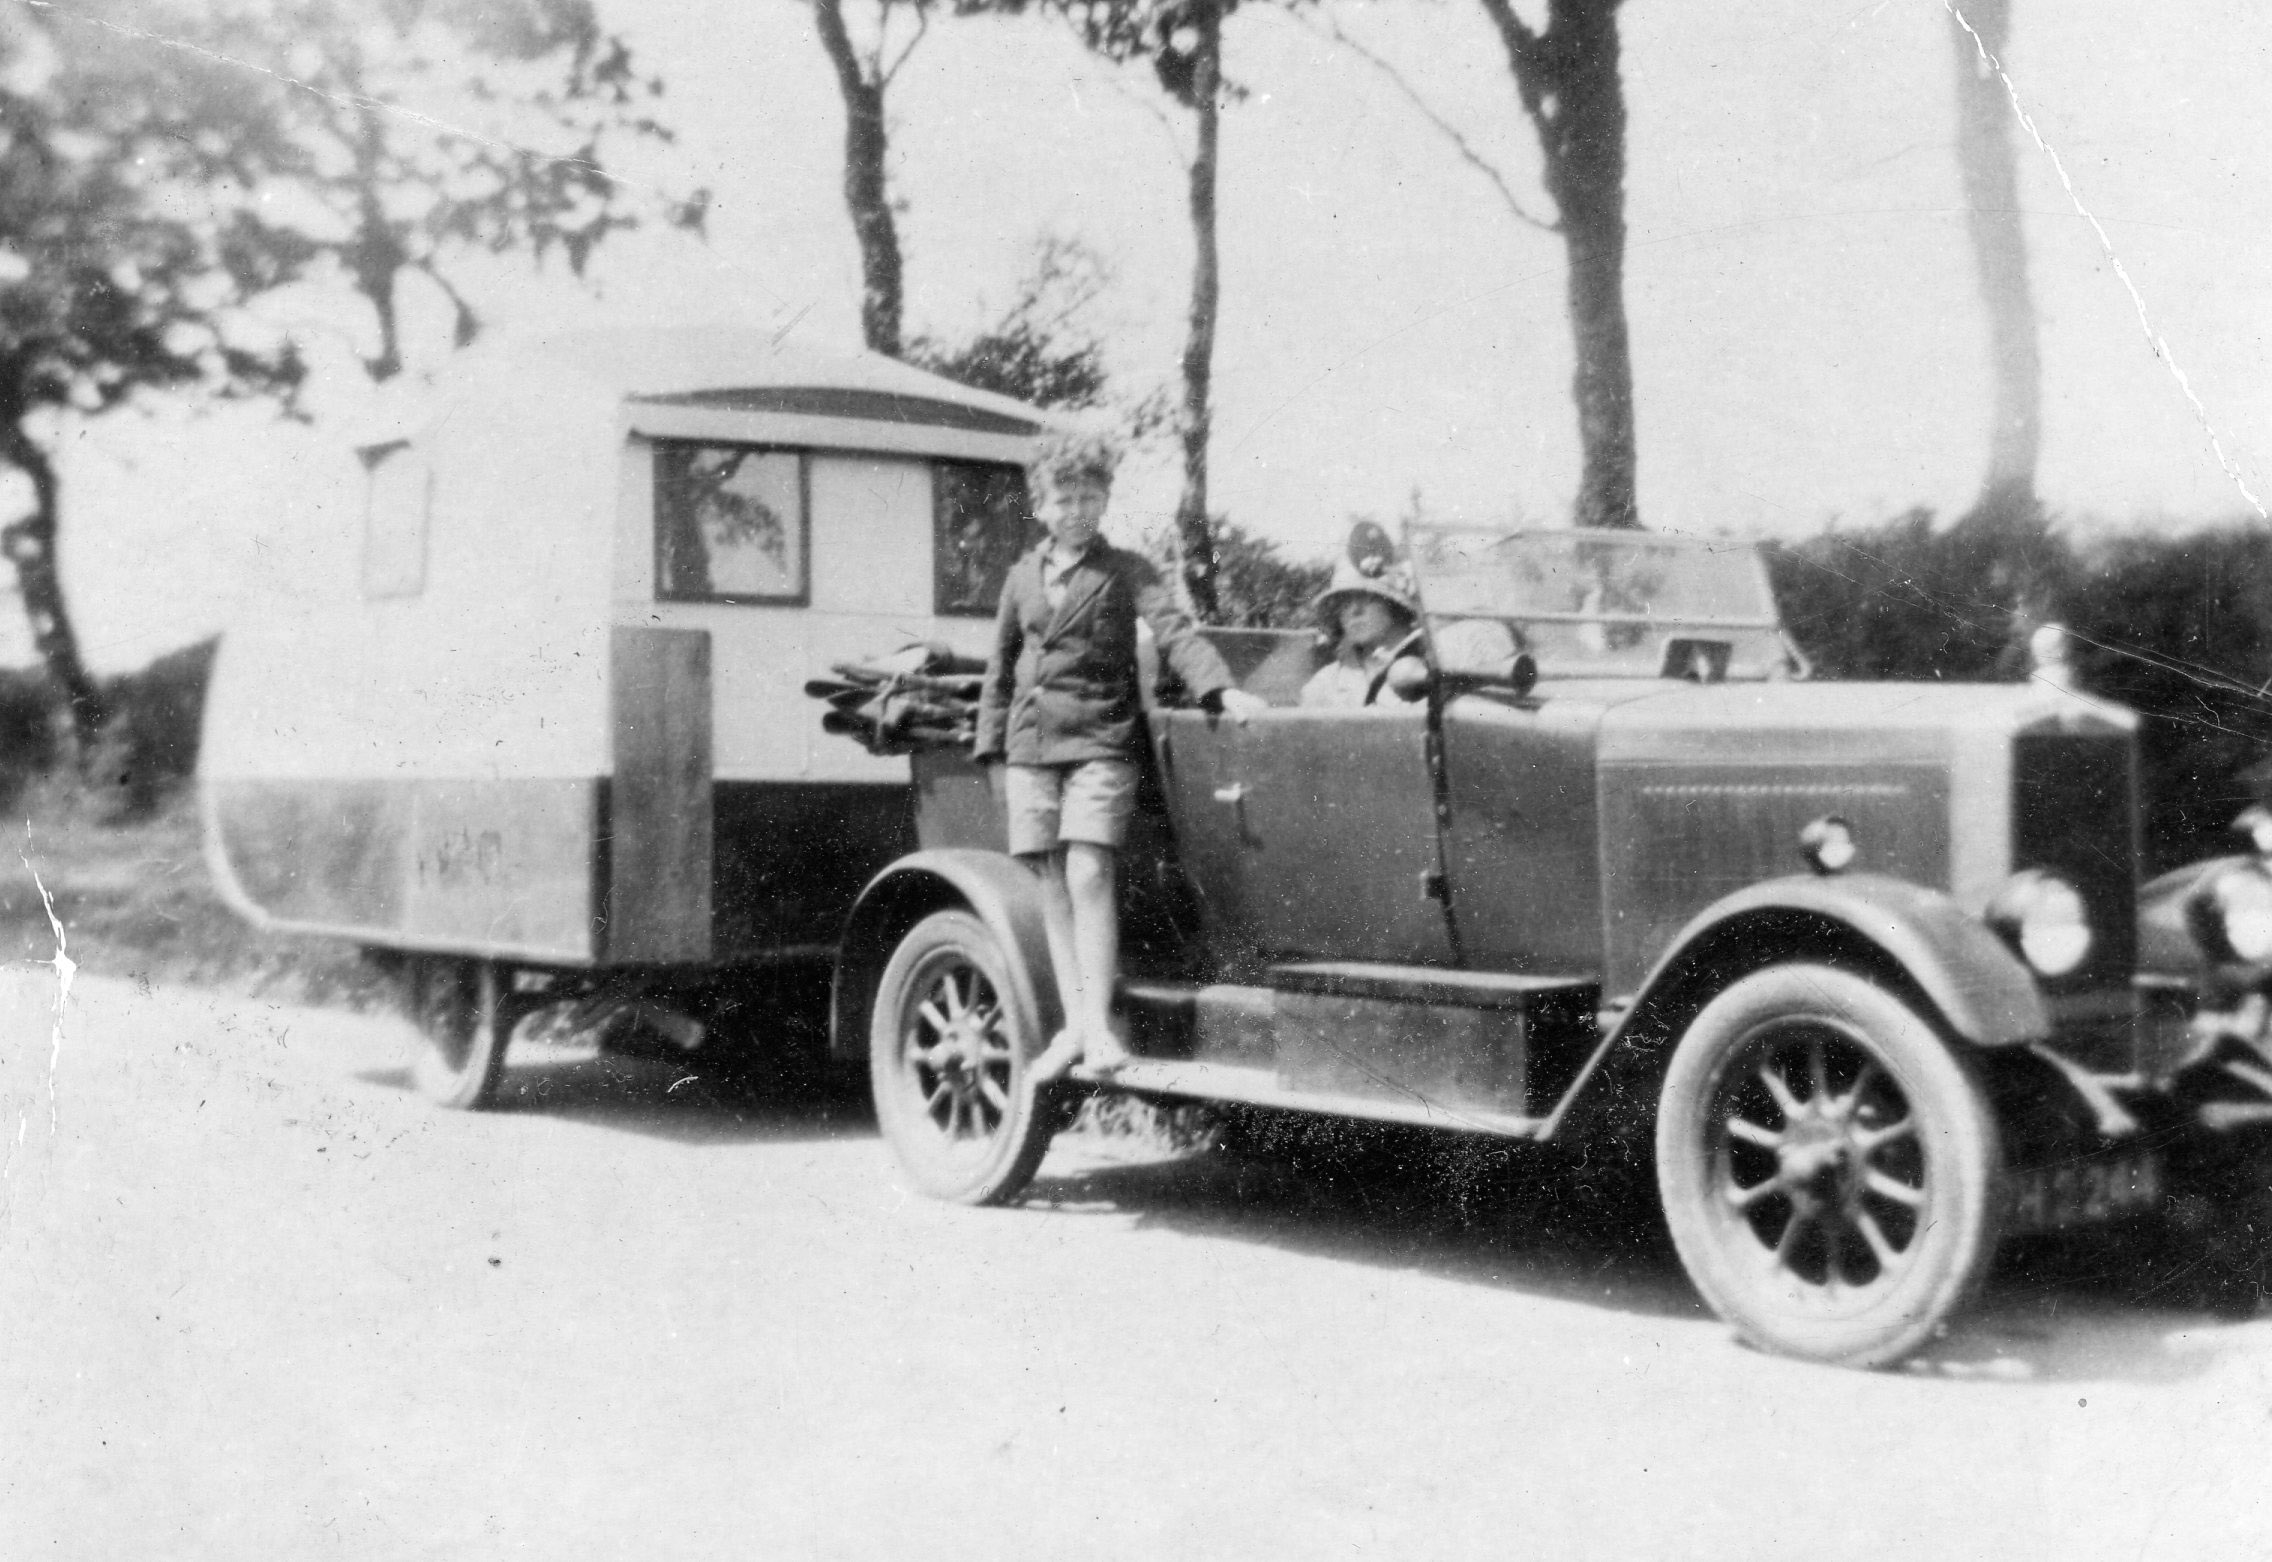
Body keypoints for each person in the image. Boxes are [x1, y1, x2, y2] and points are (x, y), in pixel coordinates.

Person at [975, 431, 1268, 1084]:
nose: (1077, 509)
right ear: (1041, 507)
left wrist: (1219, 687)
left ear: (1103, 500)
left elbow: (1174, 631)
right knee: (1050, 882)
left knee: (1087, 874)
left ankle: (1101, 1027)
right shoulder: (1020, 576)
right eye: (1064, 498)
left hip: (1101, 741)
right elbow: (1000, 668)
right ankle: (1075, 1029)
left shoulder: (1128, 570)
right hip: (1029, 748)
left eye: (1089, 496)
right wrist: (991, 750)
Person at [1300, 547, 1424, 708]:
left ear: (1396, 607)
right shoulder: (1324, 685)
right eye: (1345, 603)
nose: (1354, 610)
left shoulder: (1433, 674)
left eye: (1368, 597)